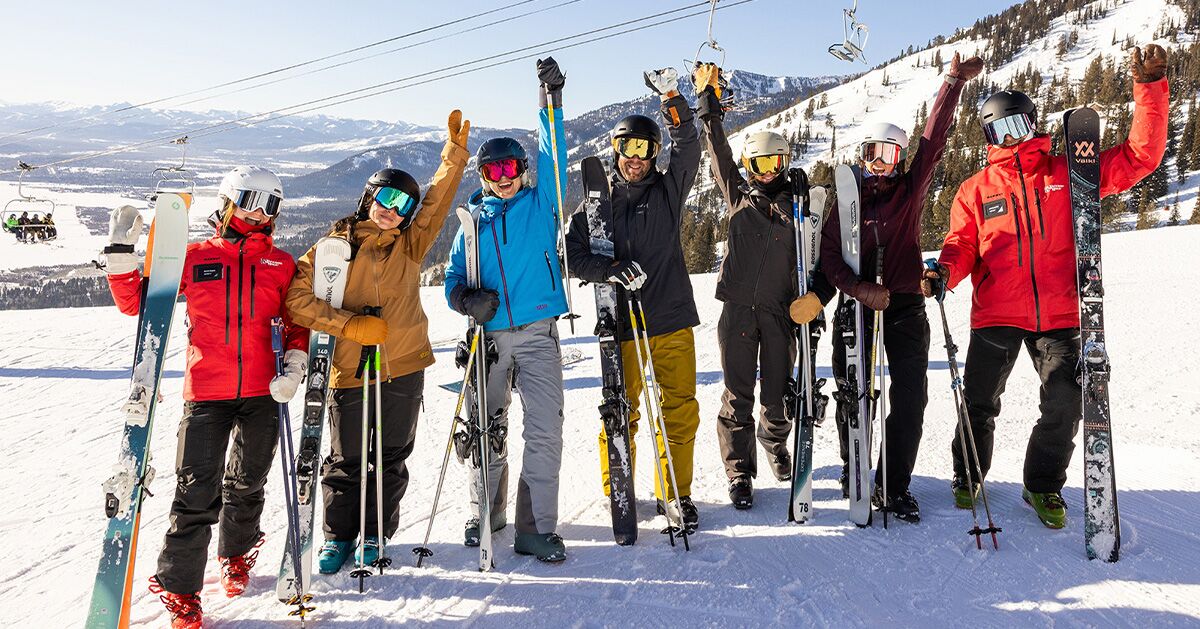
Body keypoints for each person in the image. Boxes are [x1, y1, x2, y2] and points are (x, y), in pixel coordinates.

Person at [923, 44, 1168, 529]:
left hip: (1058, 314)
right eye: (1000, 130)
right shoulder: (976, 190)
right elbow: (962, 244)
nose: (1012, 137)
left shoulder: (1069, 173)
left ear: (1033, 124)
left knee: (1065, 402)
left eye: (1018, 124)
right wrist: (945, 272)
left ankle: (1041, 484)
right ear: (989, 136)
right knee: (979, 402)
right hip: (996, 313)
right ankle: (967, 473)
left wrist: (1150, 88)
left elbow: (1139, 158)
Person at [103, 166, 308, 629]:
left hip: (264, 391)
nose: (261, 213)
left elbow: (296, 323)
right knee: (196, 493)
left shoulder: (281, 264)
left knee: (248, 483)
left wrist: (295, 365)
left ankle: (236, 554)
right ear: (228, 201)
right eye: (252, 201)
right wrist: (120, 254)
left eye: (271, 205)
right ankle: (180, 590)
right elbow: (136, 303)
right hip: (207, 392)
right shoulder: (195, 257)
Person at [286, 110, 470, 573]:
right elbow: (296, 300)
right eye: (386, 197)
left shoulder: (409, 246)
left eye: (403, 205)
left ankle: (376, 533)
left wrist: (454, 155)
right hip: (349, 368)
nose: (393, 209)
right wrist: (349, 325)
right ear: (369, 197)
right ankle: (337, 536)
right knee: (346, 458)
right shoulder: (332, 248)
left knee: (390, 457)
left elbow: (437, 202)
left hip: (403, 366)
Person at [821, 52, 983, 523]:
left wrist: (952, 83)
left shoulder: (909, 192)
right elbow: (829, 256)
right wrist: (858, 289)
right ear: (862, 155)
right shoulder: (847, 200)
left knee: (910, 395)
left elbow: (934, 141)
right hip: (858, 305)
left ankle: (893, 484)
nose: (879, 164)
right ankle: (854, 464)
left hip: (905, 304)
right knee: (853, 390)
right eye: (872, 153)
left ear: (900, 160)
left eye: (889, 155)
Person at [565, 64, 703, 531]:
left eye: (644, 149)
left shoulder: (668, 191)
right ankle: (618, 489)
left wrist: (672, 98)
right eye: (627, 147)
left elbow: (689, 147)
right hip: (619, 325)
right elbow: (572, 257)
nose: (635, 157)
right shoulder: (597, 204)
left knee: (679, 409)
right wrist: (609, 270)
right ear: (616, 150)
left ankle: (675, 492)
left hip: (670, 316)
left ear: (654, 153)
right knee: (619, 411)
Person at [443, 58, 570, 562]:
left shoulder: (542, 205)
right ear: (483, 176)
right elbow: (453, 278)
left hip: (538, 333)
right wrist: (464, 300)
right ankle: (487, 512)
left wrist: (550, 101)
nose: (503, 179)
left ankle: (534, 528)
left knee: (544, 430)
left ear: (522, 171)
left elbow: (554, 156)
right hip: (489, 339)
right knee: (486, 429)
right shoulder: (471, 224)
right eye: (493, 171)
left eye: (510, 169)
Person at [693, 64, 837, 509]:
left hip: (780, 314)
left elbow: (825, 262)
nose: (767, 172)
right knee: (737, 397)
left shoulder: (802, 211)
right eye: (758, 164)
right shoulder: (739, 198)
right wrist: (708, 105)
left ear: (785, 161)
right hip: (737, 310)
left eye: (775, 163)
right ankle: (739, 472)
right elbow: (718, 150)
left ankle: (774, 444)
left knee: (777, 396)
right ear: (750, 166)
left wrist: (819, 298)